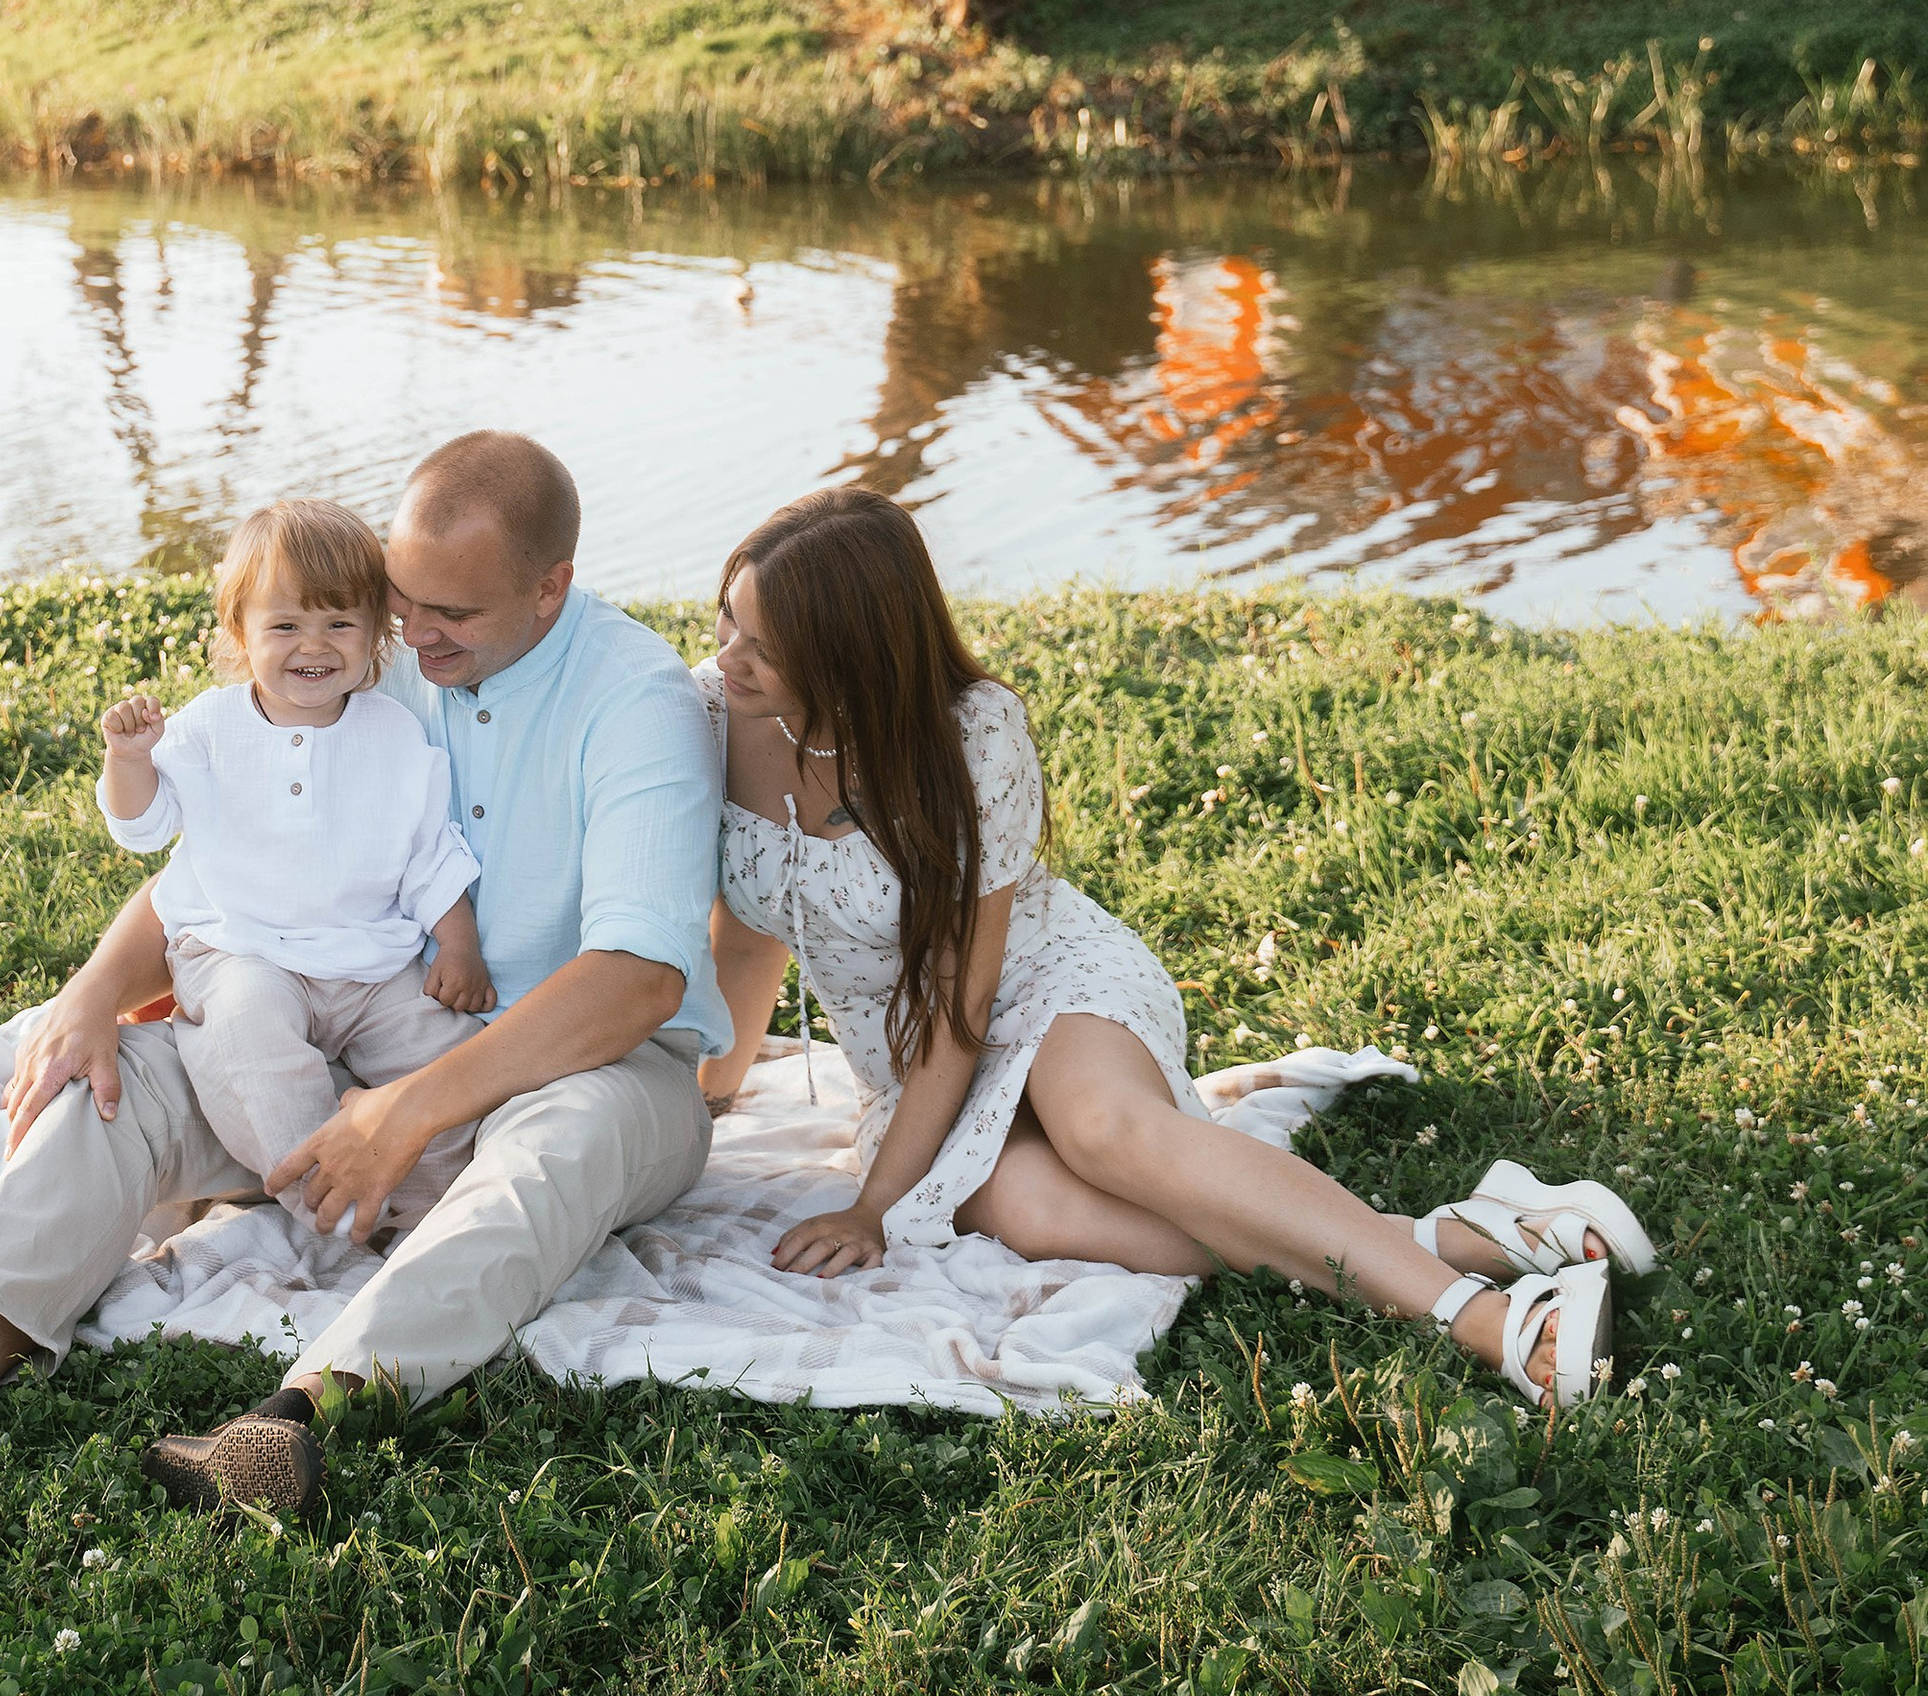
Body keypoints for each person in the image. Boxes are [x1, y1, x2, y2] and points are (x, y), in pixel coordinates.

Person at [0, 432, 726, 1519]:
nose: (417, 635)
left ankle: (290, 1422)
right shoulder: (377, 655)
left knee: (555, 1150)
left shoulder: (637, 706)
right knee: (126, 1077)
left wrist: (402, 1112)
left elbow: (638, 979)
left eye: (454, 614)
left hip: (586, 1066)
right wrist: (92, 996)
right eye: (404, 603)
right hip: (342, 1013)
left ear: (551, 588)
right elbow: (233, 870)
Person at [696, 489, 1649, 1410]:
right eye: (729, 624)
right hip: (905, 1063)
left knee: (1105, 1132)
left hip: (1041, 984)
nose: (727, 659)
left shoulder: (970, 735)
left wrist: (871, 1209)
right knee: (1046, 1219)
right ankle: (1478, 1231)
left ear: (851, 660)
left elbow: (965, 1002)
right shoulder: (717, 719)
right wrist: (715, 1097)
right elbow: (745, 935)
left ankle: (1489, 1321)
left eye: (763, 648)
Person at [94, 494, 494, 1255]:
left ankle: (436, 1206)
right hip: (243, 949)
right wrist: (130, 761)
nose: (314, 645)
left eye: (339, 623)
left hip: (371, 960)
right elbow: (141, 828)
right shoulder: (210, 727)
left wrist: (459, 946)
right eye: (284, 625)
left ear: (376, 632)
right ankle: (331, 1208)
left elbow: (428, 854)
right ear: (238, 632)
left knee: (444, 1056)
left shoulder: (391, 732)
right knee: (251, 1044)